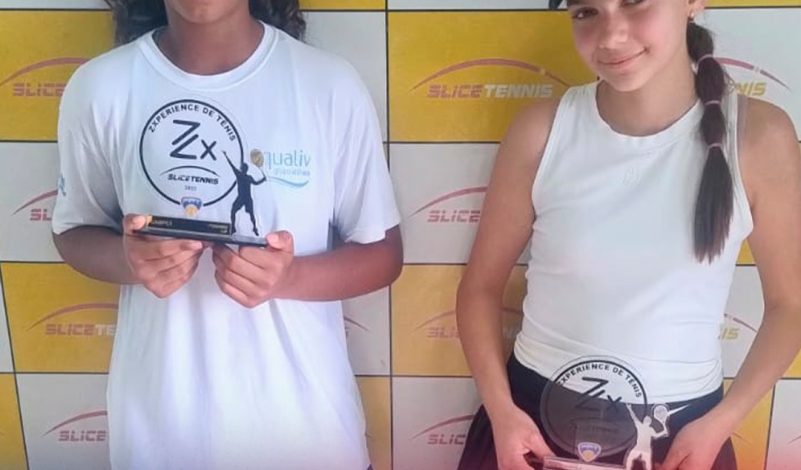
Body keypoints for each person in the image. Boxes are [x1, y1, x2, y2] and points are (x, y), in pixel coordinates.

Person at [51, 0, 402, 468]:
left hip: (308, 434)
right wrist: (128, 259)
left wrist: (289, 278)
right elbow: (73, 230)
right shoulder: (100, 87)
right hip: (160, 435)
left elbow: (383, 253)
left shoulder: (328, 85)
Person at [455, 0, 801, 469]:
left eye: (634, 2)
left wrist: (721, 423)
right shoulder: (541, 130)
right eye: (586, 12)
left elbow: (789, 306)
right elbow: (479, 289)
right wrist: (502, 413)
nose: (611, 35)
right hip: (529, 428)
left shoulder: (760, 136)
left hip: (683, 437)